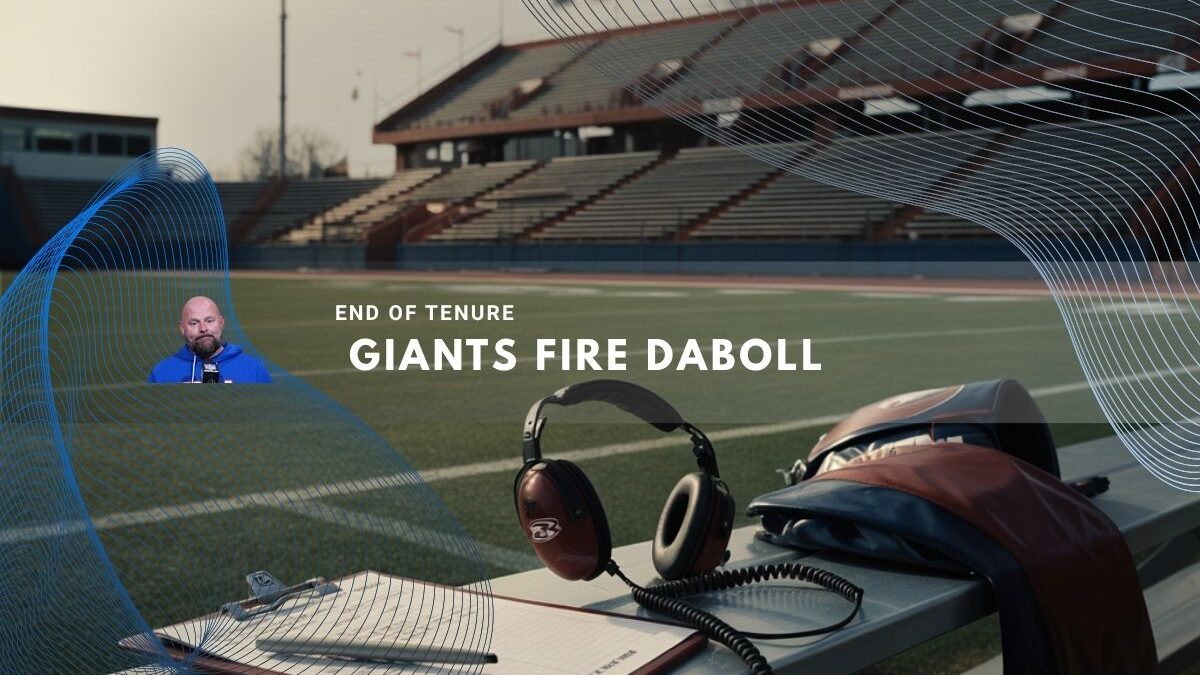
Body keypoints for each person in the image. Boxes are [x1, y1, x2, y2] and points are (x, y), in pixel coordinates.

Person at [148, 296, 272, 383]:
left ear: (221, 323)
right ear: (182, 328)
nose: (203, 329)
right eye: (194, 323)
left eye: (209, 321)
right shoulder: (161, 373)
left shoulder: (254, 369)